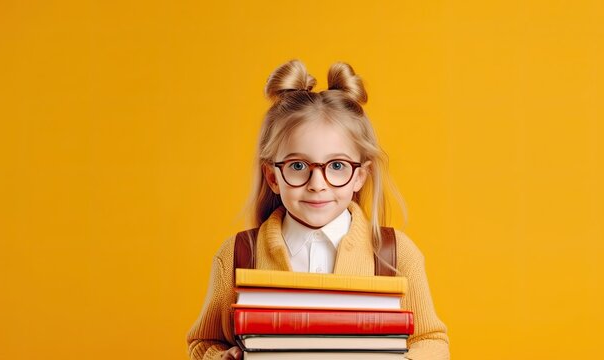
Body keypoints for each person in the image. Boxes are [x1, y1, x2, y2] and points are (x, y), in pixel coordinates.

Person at [186, 60, 450, 360]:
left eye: (337, 166)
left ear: (359, 177)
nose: (317, 184)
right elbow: (203, 342)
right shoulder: (236, 254)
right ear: (273, 177)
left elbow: (432, 340)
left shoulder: (397, 253)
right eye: (298, 166)